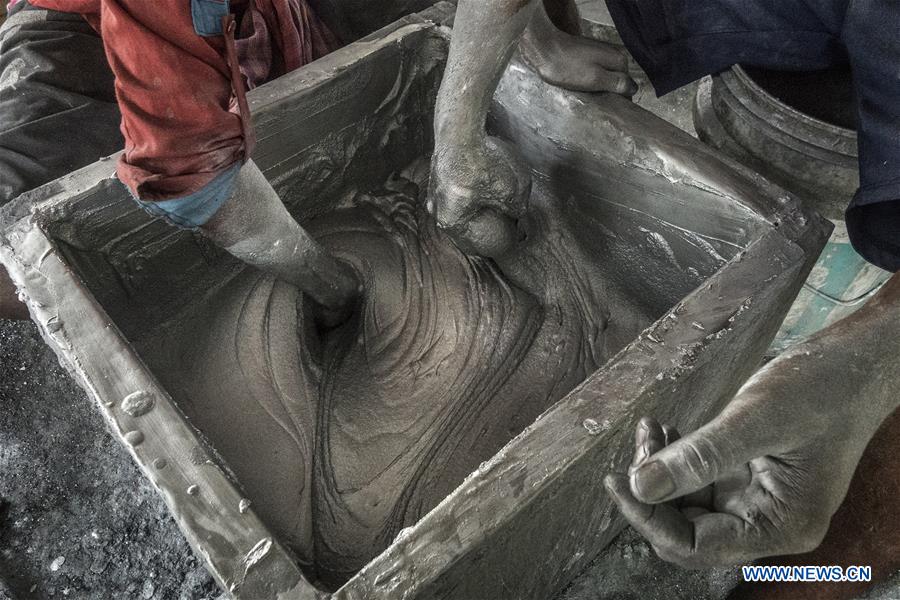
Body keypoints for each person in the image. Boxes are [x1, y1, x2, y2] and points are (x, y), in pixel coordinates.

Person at [429, 0, 900, 568]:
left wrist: (864, 367)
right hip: (770, 55)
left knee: (800, 290)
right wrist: (466, 117)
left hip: (856, 148)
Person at [0, 0, 438, 323]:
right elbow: (186, 168)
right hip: (82, 24)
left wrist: (459, 138)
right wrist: (332, 287)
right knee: (15, 227)